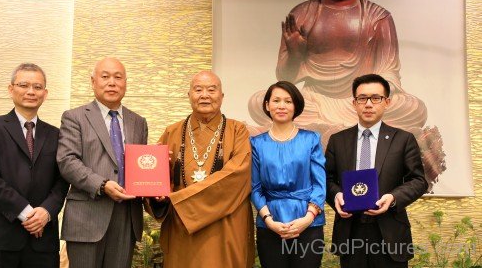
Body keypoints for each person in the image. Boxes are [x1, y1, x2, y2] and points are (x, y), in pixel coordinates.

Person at [247, 0, 433, 156]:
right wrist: (296, 55)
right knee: (259, 102)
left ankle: (327, 128)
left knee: (414, 108)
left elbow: (388, 72)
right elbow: (285, 80)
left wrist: (371, 99)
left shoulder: (378, 17)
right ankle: (333, 128)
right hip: (313, 100)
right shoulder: (301, 14)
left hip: (361, 103)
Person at [146, 71, 254, 268]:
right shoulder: (172, 131)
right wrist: (157, 196)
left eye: (211, 90)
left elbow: (238, 175)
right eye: (198, 89)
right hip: (181, 227)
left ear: (221, 96)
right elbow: (158, 176)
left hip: (225, 225)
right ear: (189, 96)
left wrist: (181, 199)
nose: (205, 95)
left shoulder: (237, 131)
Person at [325, 73, 428, 268]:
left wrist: (393, 198)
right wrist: (336, 194)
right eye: (362, 98)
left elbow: (418, 180)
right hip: (350, 230)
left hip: (390, 231)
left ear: (387, 102)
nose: (369, 104)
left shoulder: (403, 139)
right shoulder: (338, 140)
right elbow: (326, 178)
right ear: (354, 103)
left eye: (376, 98)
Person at [0, 63, 68, 268]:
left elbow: (62, 181)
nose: (30, 91)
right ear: (11, 89)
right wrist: (26, 213)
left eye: (37, 86)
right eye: (23, 85)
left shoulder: (56, 135)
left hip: (42, 242)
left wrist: (46, 211)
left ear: (45, 93)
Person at [57, 57, 148, 268]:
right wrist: (102, 184)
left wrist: (155, 170)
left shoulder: (138, 121)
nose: (112, 82)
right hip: (87, 216)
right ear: (93, 81)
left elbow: (139, 164)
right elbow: (67, 161)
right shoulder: (74, 117)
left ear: (126, 82)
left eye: (118, 77)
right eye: (105, 77)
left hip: (126, 217)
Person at [251, 81, 326, 267]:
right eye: (276, 100)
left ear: (296, 106)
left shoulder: (311, 139)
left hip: (308, 224)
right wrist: (269, 221)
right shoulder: (256, 143)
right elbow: (255, 187)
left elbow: (319, 184)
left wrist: (307, 219)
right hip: (270, 224)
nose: (282, 106)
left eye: (288, 101)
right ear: (267, 105)